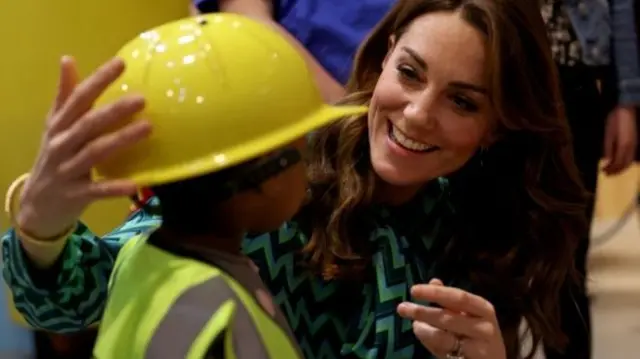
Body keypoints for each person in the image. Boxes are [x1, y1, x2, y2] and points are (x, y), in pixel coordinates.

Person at [3, 1, 589, 358]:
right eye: (409, 73)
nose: (415, 114)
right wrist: (41, 230)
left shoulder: (487, 223)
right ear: (385, 56)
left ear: (498, 126)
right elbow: (87, 294)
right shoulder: (279, 170)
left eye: (462, 101)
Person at [85, 14, 365, 358]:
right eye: (302, 154)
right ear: (262, 179)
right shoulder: (204, 311)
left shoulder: (141, 256)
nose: (310, 174)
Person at [539, 1, 639, 358]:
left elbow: (621, 9)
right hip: (504, 75)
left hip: (575, 84)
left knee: (569, 260)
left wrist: (625, 102)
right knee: (488, 256)